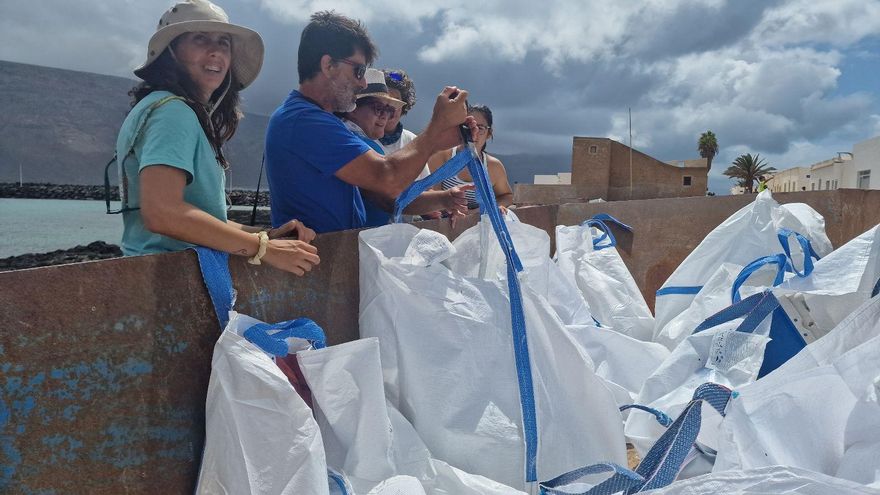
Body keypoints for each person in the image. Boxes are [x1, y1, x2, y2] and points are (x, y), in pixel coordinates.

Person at [117, 0, 319, 275]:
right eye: (200, 39)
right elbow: (162, 212)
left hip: (160, 274)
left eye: (223, 42)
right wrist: (264, 251)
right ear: (171, 52)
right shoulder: (173, 112)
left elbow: (208, 221)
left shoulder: (161, 106)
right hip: (166, 279)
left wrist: (264, 236)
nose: (215, 52)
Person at [264, 11, 476, 234]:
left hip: (330, 259)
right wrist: (435, 129)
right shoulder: (305, 121)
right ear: (328, 66)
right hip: (317, 262)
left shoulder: (318, 122)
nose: (363, 83)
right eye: (359, 70)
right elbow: (388, 178)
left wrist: (439, 141)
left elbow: (384, 198)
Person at [340, 69, 470, 226]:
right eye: (378, 108)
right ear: (353, 108)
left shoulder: (358, 140)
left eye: (389, 109)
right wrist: (437, 128)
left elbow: (391, 200)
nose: (385, 115)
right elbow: (392, 193)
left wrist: (446, 198)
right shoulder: (354, 144)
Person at [427, 104, 514, 211]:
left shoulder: (493, 167)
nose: (474, 132)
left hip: (478, 224)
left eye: (480, 128)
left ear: (489, 133)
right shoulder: (442, 157)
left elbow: (506, 196)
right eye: (468, 127)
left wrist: (494, 208)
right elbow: (432, 197)